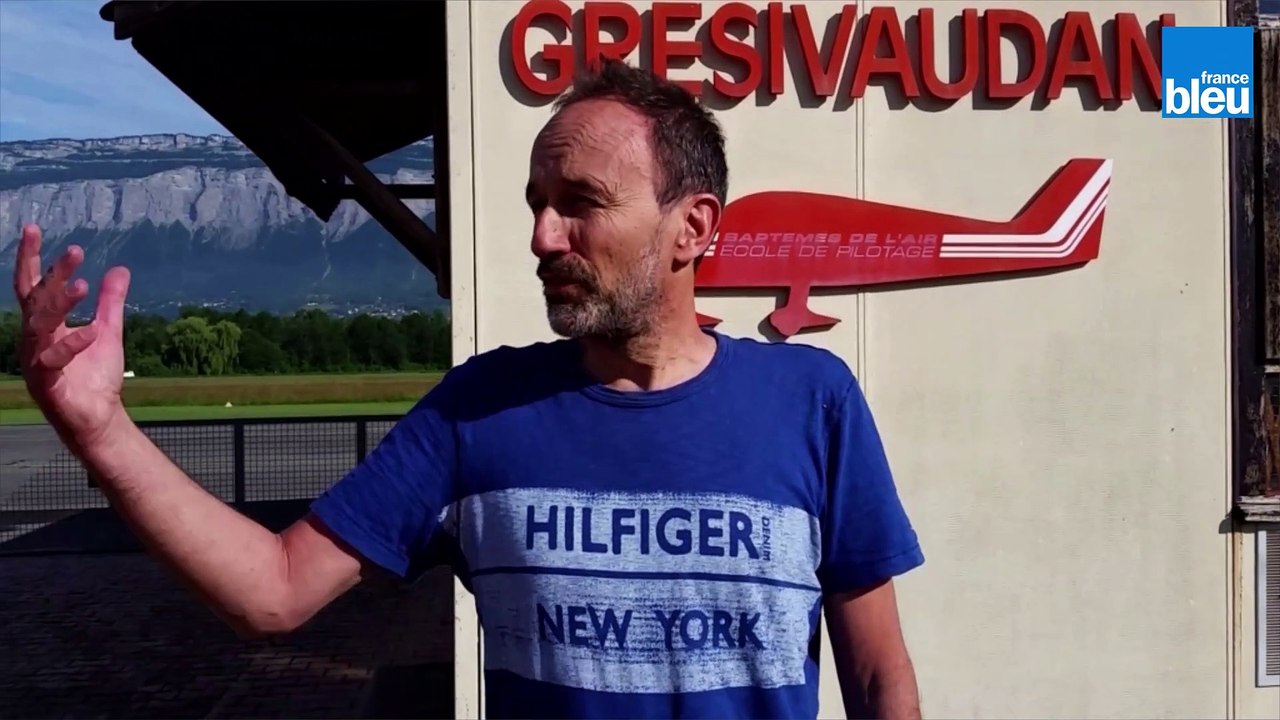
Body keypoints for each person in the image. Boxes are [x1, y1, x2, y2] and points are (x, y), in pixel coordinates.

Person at [12, 59, 924, 719]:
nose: (541, 236)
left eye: (581, 201)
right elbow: (273, 589)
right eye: (535, 200)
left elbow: (880, 678)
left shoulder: (813, 402)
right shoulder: (476, 409)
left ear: (691, 227)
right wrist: (98, 427)